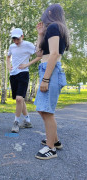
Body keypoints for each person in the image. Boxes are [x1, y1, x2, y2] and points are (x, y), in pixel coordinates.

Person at [34, 4, 69, 160]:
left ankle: (51, 148)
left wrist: (46, 79)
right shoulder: (51, 29)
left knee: (47, 111)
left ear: (50, 13)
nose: (43, 16)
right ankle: (55, 140)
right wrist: (40, 34)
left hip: (51, 72)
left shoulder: (55, 26)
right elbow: (39, 53)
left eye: (45, 12)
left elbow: (54, 54)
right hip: (46, 68)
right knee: (42, 109)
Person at [7, 28, 42, 133]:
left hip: (23, 73)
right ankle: (27, 121)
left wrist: (27, 64)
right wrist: (9, 66)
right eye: (14, 39)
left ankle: (16, 122)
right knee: (20, 99)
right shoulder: (12, 46)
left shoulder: (28, 45)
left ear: (22, 36)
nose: (16, 41)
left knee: (19, 99)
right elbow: (8, 57)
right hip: (13, 75)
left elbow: (40, 55)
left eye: (17, 39)